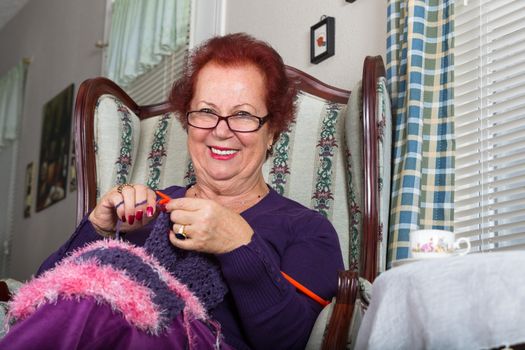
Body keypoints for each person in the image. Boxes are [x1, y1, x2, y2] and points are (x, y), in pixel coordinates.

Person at [1, 33, 344, 350]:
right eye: (206, 112)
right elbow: (39, 300)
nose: (221, 131)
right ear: (187, 120)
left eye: (242, 115)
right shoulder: (149, 208)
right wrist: (97, 229)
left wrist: (239, 246)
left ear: (272, 132)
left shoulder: (307, 229)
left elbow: (291, 342)